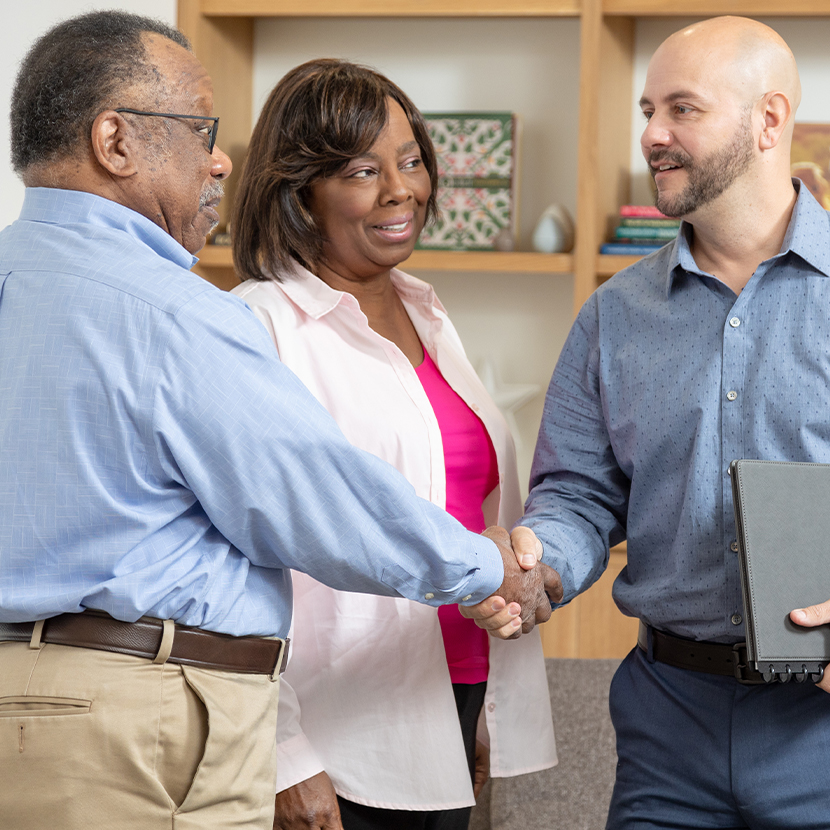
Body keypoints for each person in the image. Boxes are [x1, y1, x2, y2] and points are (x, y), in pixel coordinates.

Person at [0, 12, 557, 830]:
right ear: (114, 142)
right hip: (149, 714)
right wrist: (483, 569)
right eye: (199, 129)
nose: (219, 158)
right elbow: (314, 499)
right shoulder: (178, 312)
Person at [514, 15, 830, 829]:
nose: (653, 134)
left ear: (768, 119)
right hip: (666, 723)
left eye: (681, 109)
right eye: (648, 110)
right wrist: (538, 565)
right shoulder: (614, 316)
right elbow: (578, 497)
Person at [230, 59, 557, 830]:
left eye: (411, 162)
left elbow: (466, 504)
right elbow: (229, 562)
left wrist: (484, 716)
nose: (400, 190)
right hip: (340, 729)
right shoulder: (258, 327)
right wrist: (284, 755)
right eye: (361, 171)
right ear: (298, 191)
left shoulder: (429, 317)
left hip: (455, 697)